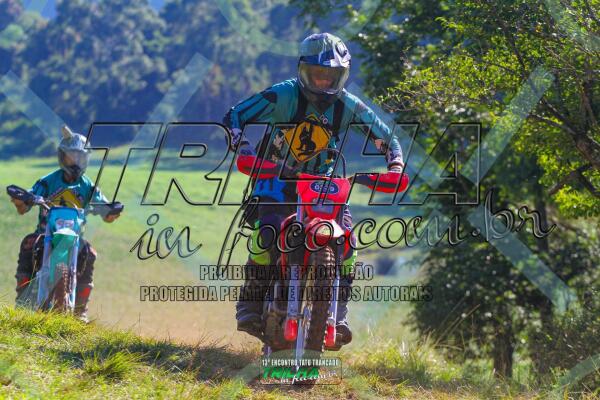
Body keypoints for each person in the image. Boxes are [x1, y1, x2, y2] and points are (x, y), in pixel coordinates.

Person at [223, 32, 404, 347]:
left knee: (348, 243)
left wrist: (396, 167)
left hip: (324, 183)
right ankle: (250, 303)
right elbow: (235, 115)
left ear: (342, 76)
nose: (322, 82)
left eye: (330, 76)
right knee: (267, 232)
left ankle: (338, 314)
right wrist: (244, 147)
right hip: (276, 177)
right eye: (316, 74)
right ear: (302, 70)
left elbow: (388, 138)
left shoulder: (348, 105)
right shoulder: (283, 95)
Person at [10, 125, 121, 322]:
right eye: (71, 157)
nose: (75, 162)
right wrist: (22, 200)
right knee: (28, 243)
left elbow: (106, 213)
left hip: (74, 237)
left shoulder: (88, 186)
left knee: (89, 253)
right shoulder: (48, 181)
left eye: (80, 157)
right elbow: (24, 206)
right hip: (45, 233)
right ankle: (22, 300)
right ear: (62, 156)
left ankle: (80, 309)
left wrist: (111, 211)